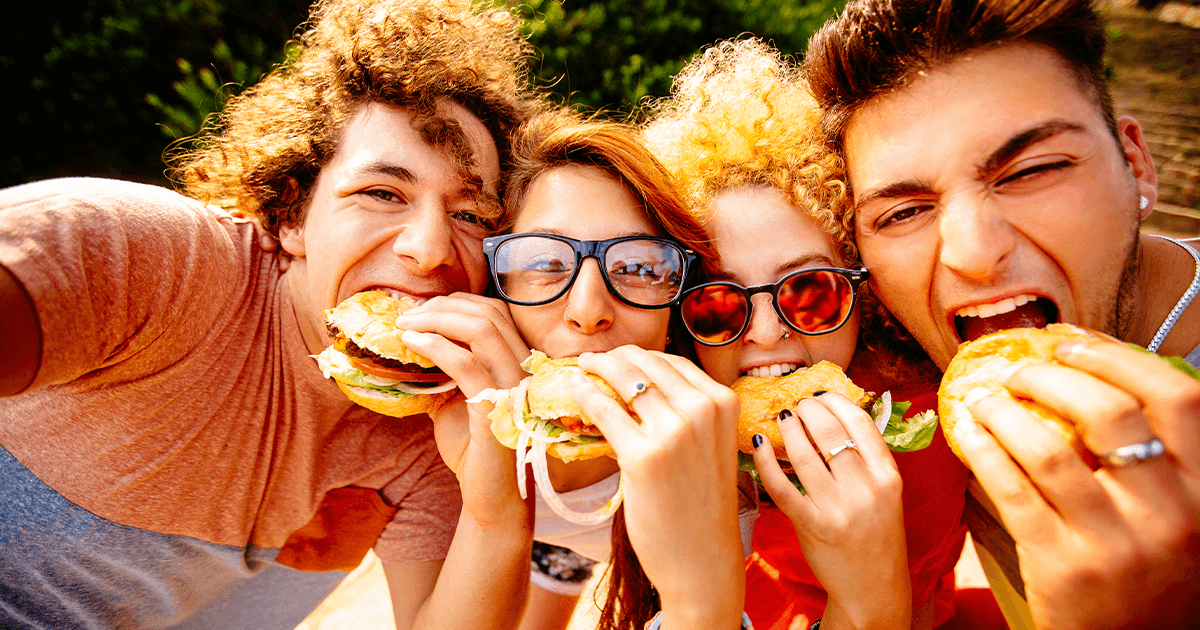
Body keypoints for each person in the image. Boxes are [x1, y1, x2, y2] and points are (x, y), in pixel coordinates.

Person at [0, 0, 542, 627]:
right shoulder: (144, 257)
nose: (428, 248)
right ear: (291, 216)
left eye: (471, 215)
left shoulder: (436, 425)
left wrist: (500, 506)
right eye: (380, 193)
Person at [804, 0, 1200, 627]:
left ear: (1137, 164)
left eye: (1033, 170)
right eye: (903, 212)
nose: (975, 254)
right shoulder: (901, 393)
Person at [639, 39, 973, 630]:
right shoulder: (658, 430)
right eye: (718, 304)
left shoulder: (929, 426)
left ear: (861, 292)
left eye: (810, 291)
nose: (766, 334)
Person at [393, 107, 749, 630]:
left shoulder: (717, 463)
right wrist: (493, 513)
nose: (587, 310)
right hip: (545, 551)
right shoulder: (434, 418)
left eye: (639, 268)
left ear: (677, 301)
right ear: (495, 287)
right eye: (541, 262)